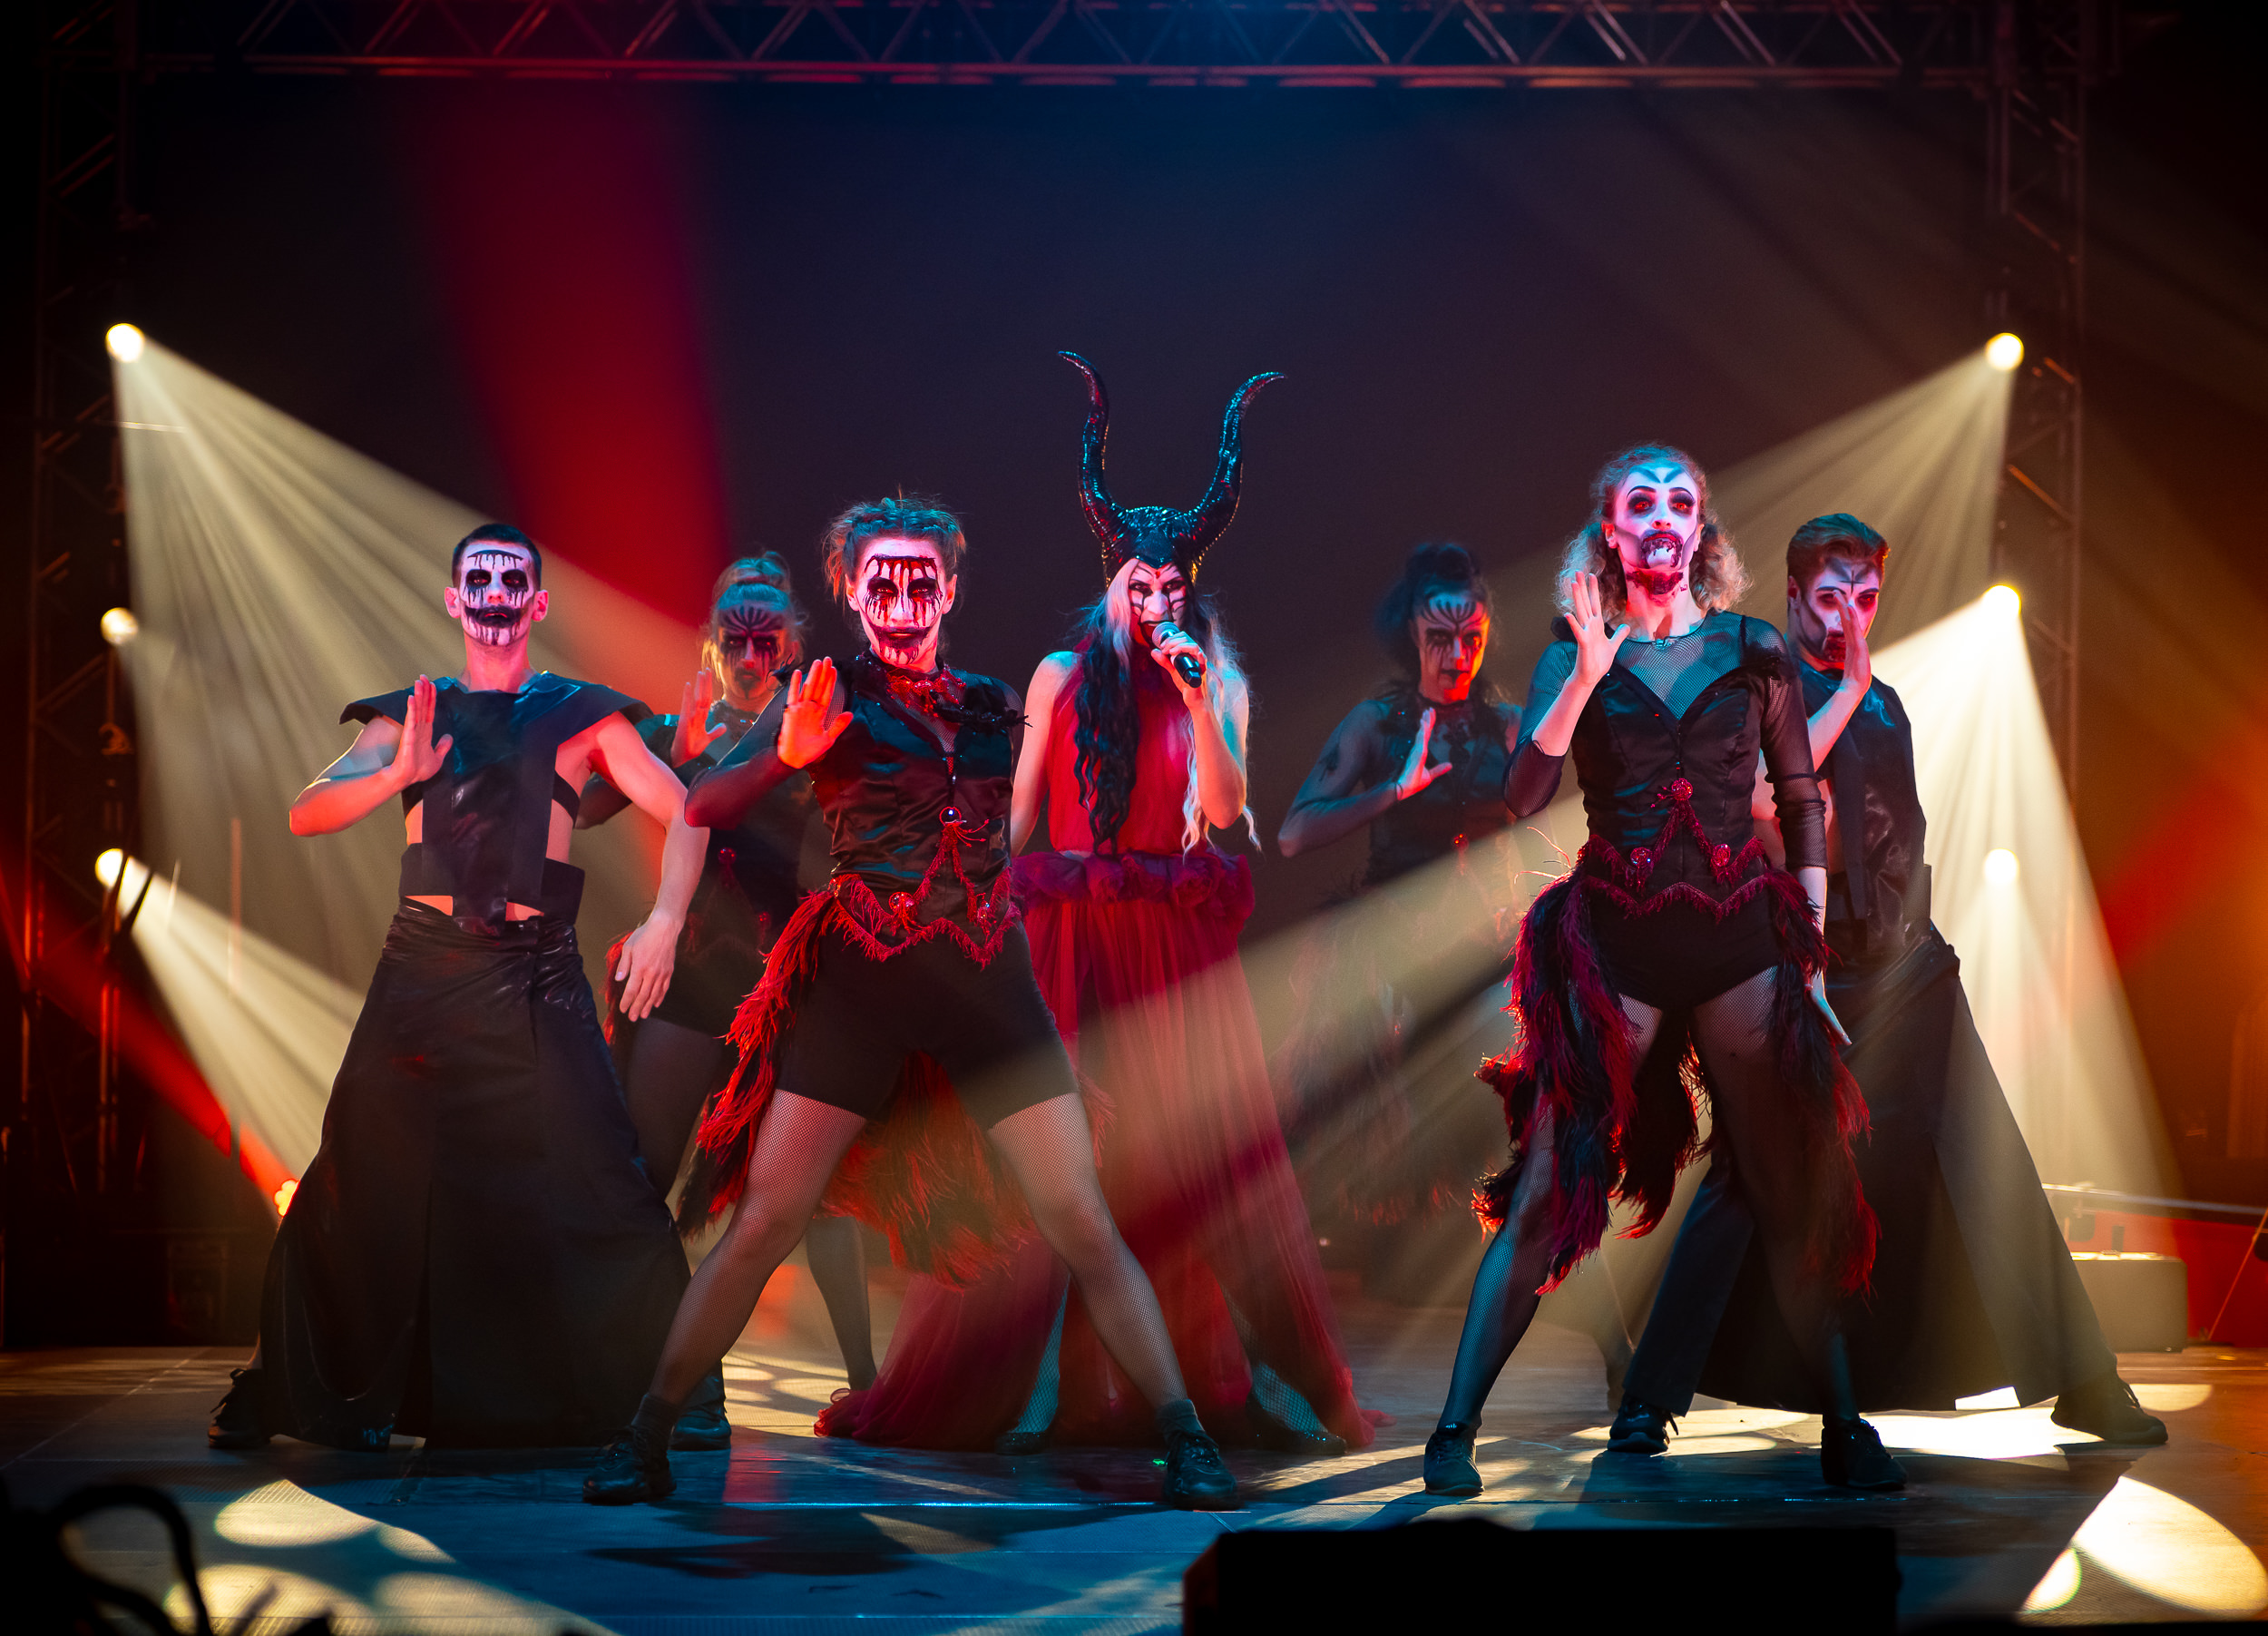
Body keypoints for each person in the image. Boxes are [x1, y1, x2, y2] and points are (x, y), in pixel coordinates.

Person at [581, 496, 1240, 1510]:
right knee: (767, 1217)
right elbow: (703, 806)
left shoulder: (989, 701)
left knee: (1079, 1212)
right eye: (879, 580)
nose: (900, 598)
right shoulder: (822, 688)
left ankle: (1185, 1439)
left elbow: (1022, 831)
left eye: (919, 579)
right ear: (851, 593)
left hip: (983, 974)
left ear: (950, 590)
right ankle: (647, 1434)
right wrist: (787, 757)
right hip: (864, 976)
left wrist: (1176, 722)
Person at [815, 355, 1371, 1455]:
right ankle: (1029, 1385)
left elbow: (1223, 810)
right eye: (1140, 589)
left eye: (1172, 591)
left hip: (1169, 940)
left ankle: (1180, 1382)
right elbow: (1018, 818)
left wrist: (1198, 702)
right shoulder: (1058, 677)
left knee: (1179, 1159)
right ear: (1113, 587)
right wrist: (953, 902)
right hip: (1066, 935)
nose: (1156, 604)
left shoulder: (1218, 681)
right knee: (1058, 1164)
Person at [1605, 514, 2166, 1450]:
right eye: (1830, 597)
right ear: (1793, 595)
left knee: (1985, 1153)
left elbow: (1896, 832)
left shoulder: (1886, 702)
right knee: (1752, 1173)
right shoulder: (1752, 690)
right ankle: (1648, 1397)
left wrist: (1910, 928)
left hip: (1906, 963)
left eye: (1864, 598)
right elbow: (1765, 812)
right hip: (1798, 964)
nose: (1848, 618)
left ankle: (2086, 1380)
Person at [1421, 445, 1899, 1497]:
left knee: (1786, 1185)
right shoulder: (1572, 654)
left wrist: (1811, 964)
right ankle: (1452, 1433)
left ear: (1697, 529)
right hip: (1619, 944)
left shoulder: (1750, 647)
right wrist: (1588, 673)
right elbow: (1520, 794)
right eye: (1640, 502)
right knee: (1545, 1192)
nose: (1662, 516)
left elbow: (1798, 800)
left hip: (1738, 942)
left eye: (1679, 502)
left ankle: (1844, 1424)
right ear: (1610, 529)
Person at [208, 524, 704, 1451]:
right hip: (426, 967)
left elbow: (689, 810)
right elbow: (307, 811)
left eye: (513, 579)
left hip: (537, 971)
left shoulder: (579, 714)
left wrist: (666, 921)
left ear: (536, 601)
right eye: (478, 578)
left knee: (600, 1170)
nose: (494, 592)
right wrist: (398, 772)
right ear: (454, 599)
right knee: (359, 1164)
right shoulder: (412, 712)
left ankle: (663, 1393)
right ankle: (299, 1385)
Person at [577, 556, 878, 1449]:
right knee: (646, 1174)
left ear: (791, 643)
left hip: (789, 978)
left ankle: (868, 1384)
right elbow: (582, 806)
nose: (750, 656)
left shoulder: (817, 727)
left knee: (819, 1193)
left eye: (766, 640)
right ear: (710, 644)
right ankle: (657, 1373)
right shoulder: (676, 727)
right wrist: (669, 759)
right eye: (734, 639)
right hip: (694, 972)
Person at [1276, 544, 1526, 1300]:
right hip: (1390, 945)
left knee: (1503, 1104)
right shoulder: (1378, 722)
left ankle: (1497, 1262)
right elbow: (1293, 833)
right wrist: (1392, 792)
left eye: (1470, 637)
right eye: (1438, 639)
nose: (1456, 655)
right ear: (1411, 634)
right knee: (1365, 1107)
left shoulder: (1508, 724)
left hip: (1486, 946)